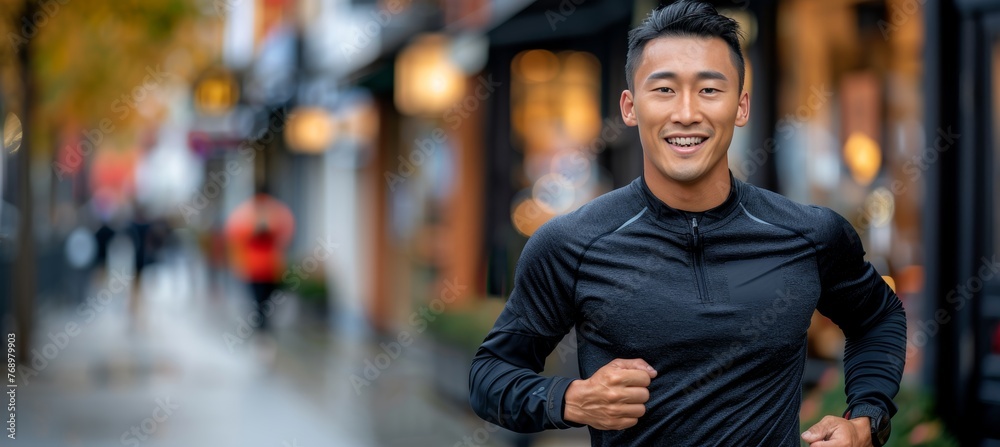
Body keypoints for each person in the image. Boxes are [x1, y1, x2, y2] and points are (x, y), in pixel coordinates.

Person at [468, 2, 907, 446]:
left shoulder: (810, 234)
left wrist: (866, 421)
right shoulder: (571, 243)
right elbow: (490, 377)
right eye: (663, 90)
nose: (686, 113)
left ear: (740, 106)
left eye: (709, 90)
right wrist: (570, 399)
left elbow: (879, 317)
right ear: (629, 106)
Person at [224, 185, 295, 334]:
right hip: (269, 265)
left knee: (259, 299)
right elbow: (287, 234)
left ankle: (261, 326)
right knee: (266, 300)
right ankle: (263, 326)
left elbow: (234, 235)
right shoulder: (277, 211)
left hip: (256, 266)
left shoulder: (245, 211)